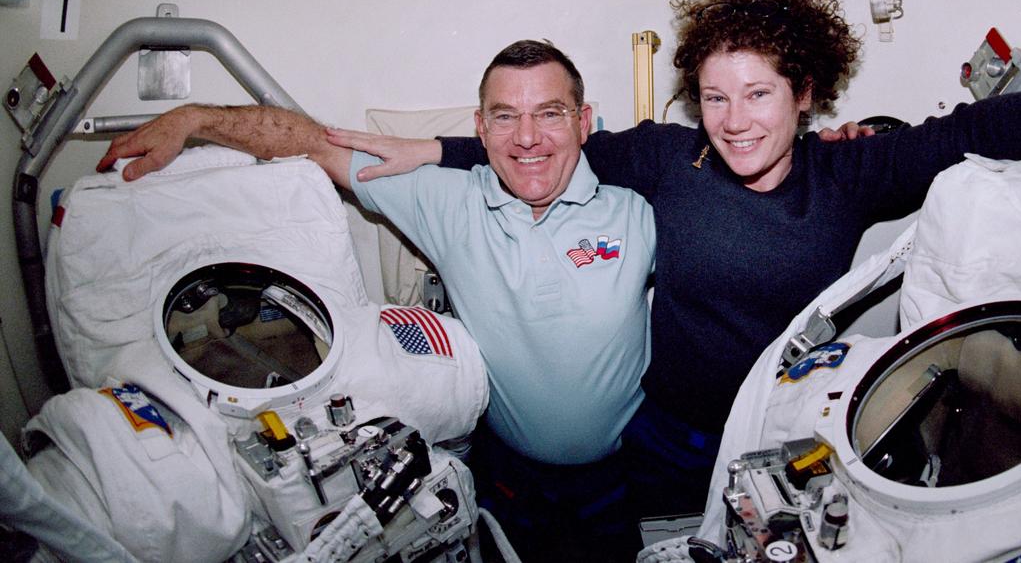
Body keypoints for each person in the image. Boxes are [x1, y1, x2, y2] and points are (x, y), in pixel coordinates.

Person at [325, 0, 1021, 524]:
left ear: (806, 93)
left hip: (786, 431)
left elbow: (981, 125)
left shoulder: (851, 174)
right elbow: (539, 141)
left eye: (758, 95)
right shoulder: (666, 156)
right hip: (661, 435)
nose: (734, 121)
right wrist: (431, 147)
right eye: (717, 97)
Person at [96, 40, 657, 563]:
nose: (527, 137)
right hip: (504, 473)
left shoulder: (639, 212)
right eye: (506, 116)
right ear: (481, 128)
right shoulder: (447, 200)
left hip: (622, 475)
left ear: (583, 124)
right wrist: (195, 120)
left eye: (550, 113)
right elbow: (313, 140)